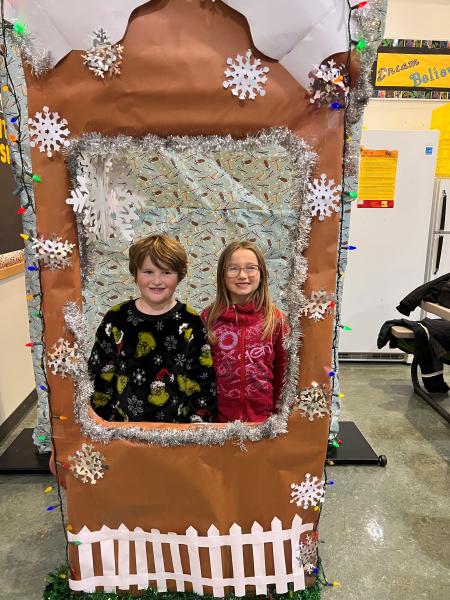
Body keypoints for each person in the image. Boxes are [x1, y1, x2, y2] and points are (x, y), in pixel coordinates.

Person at [88, 234, 216, 423]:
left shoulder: (191, 322)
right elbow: (99, 375)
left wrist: (196, 431)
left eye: (166, 272)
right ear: (135, 273)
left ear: (179, 276)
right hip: (122, 432)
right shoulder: (116, 318)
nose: (157, 281)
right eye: (148, 272)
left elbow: (203, 381)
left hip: (178, 435)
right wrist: (105, 423)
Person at [202, 241, 287, 423]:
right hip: (218, 424)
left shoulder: (276, 320)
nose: (242, 275)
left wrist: (279, 416)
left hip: (264, 423)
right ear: (222, 275)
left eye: (251, 268)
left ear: (261, 274)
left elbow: (283, 373)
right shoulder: (208, 319)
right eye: (233, 269)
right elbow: (201, 373)